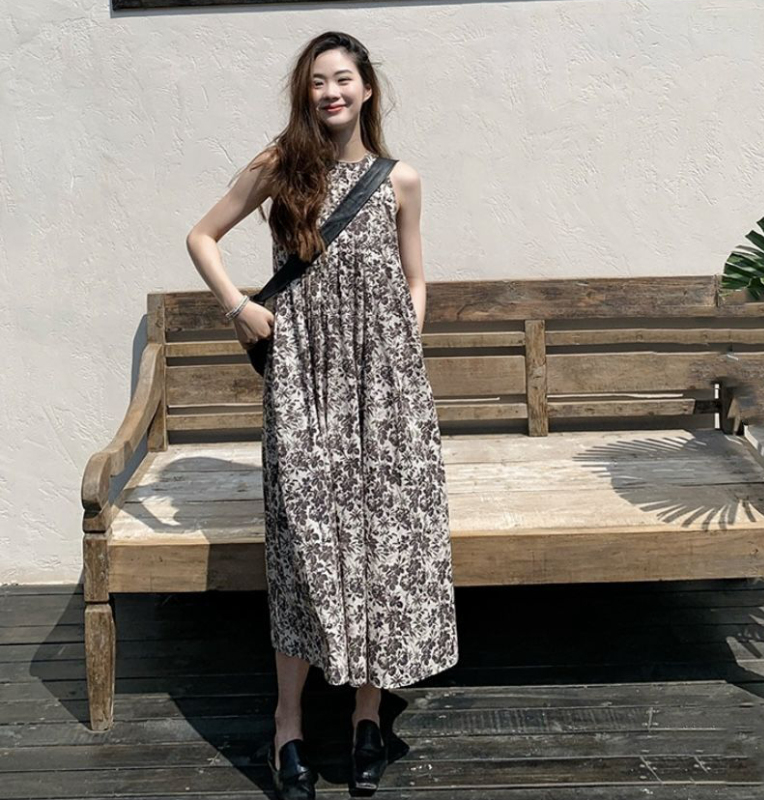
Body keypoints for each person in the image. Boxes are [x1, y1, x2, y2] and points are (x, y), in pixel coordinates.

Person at [186, 31, 459, 799]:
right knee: (303, 548)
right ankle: (288, 723)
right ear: (305, 94)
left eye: (342, 79)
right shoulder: (281, 165)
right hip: (303, 380)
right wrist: (238, 306)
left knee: (380, 546)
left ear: (367, 88)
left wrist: (402, 347)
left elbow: (414, 276)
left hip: (385, 391)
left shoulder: (400, 179)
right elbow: (201, 236)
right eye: (316, 81)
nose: (330, 92)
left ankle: (368, 717)